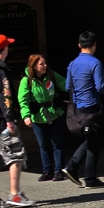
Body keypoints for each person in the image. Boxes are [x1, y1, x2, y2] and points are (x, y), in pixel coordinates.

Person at [0, 34, 35, 208]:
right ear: (4, 49)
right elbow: (6, 97)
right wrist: (9, 119)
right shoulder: (1, 70)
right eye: (8, 46)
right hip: (1, 119)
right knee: (16, 155)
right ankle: (15, 194)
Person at [62, 31, 104, 188]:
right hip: (92, 107)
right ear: (94, 45)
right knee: (94, 141)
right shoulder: (95, 63)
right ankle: (83, 174)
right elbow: (100, 87)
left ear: (79, 45)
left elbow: (67, 86)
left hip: (76, 107)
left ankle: (79, 171)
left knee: (91, 139)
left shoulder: (72, 64)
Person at [18, 54, 67, 182]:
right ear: (33, 66)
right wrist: (26, 115)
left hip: (55, 113)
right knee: (43, 145)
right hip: (38, 117)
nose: (45, 66)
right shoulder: (27, 80)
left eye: (45, 63)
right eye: (41, 64)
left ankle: (59, 170)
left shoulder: (51, 75)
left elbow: (66, 85)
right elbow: (23, 100)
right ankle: (47, 171)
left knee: (57, 144)